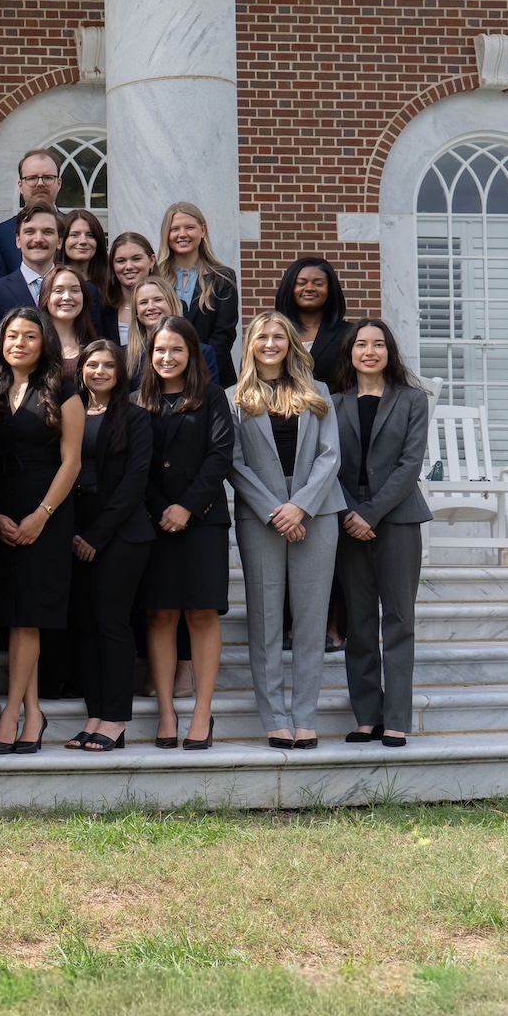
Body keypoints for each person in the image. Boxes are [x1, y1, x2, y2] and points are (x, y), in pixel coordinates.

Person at [228, 310, 343, 751]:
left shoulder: (320, 394)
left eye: (279, 336)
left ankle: (305, 717)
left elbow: (330, 457)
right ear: (251, 345)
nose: (271, 344)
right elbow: (234, 464)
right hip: (262, 517)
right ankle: (274, 718)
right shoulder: (233, 398)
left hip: (317, 513)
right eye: (262, 337)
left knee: (312, 621)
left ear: (291, 344)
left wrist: (301, 507)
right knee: (265, 620)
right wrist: (277, 509)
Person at [0, 307, 83, 754]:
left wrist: (42, 514)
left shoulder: (65, 388)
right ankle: (34, 711)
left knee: (29, 617)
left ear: (45, 343)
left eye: (30, 337)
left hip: (48, 512)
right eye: (12, 336)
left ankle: (12, 713)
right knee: (16, 616)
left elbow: (72, 461)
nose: (19, 343)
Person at [136, 317, 235, 751]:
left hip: (202, 522)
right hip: (154, 522)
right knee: (160, 615)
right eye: (159, 350)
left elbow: (220, 458)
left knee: (200, 614)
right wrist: (162, 508)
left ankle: (200, 712)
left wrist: (187, 508)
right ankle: (165, 712)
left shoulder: (211, 397)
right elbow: (135, 464)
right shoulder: (137, 399)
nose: (167, 357)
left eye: (176, 349)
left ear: (192, 353)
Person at [333, 319, 431, 749]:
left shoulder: (412, 400)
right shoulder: (332, 403)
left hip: (398, 519)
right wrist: (351, 513)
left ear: (389, 352)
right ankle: (367, 716)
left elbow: (410, 466)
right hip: (347, 520)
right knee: (358, 621)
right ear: (350, 353)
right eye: (360, 344)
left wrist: (370, 513)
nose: (369, 351)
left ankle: (396, 718)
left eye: (378, 344)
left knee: (398, 619)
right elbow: (325, 464)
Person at [57, 339, 151, 753]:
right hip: (73, 528)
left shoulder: (135, 417)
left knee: (112, 622)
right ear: (80, 370)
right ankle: (94, 714)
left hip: (121, 532)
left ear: (120, 372)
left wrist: (96, 535)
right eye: (91, 364)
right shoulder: (69, 412)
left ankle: (115, 718)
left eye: (107, 366)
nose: (98, 371)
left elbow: (135, 482)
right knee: (85, 625)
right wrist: (76, 531)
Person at [155, 201, 238, 382]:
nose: (182, 234)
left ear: (202, 230)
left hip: (211, 375)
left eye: (189, 227)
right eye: (174, 229)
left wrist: (198, 373)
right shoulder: (154, 278)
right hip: (162, 377)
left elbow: (224, 334)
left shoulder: (223, 278)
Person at [124, 276, 221, 389]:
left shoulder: (203, 352)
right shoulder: (124, 356)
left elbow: (211, 398)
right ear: (136, 312)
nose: (150, 307)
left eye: (158, 300)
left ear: (172, 303)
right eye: (143, 302)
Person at [0, 203, 62, 323]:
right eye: (29, 232)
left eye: (47, 232)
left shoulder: (83, 291)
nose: (38, 239)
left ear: (59, 241)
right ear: (18, 240)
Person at [275, 256, 351, 385]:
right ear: (289, 287)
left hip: (332, 404)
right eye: (301, 283)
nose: (309, 288)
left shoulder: (349, 334)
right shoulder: (269, 332)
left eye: (318, 283)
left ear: (330, 290)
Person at [0, 149, 64, 270]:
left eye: (48, 177)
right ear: (20, 186)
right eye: (32, 178)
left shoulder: (74, 229)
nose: (40, 183)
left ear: (58, 183)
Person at [59, 209, 118, 338]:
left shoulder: (111, 285)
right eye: (74, 235)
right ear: (62, 241)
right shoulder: (52, 284)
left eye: (90, 235)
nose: (83, 241)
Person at [40, 264, 99, 377]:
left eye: (75, 290)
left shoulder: (95, 345)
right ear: (45, 297)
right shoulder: (33, 343)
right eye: (58, 290)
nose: (67, 297)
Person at [107, 231, 157, 346]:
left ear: (151, 261)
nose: (129, 267)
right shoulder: (104, 311)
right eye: (121, 261)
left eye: (136, 259)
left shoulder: (174, 305)